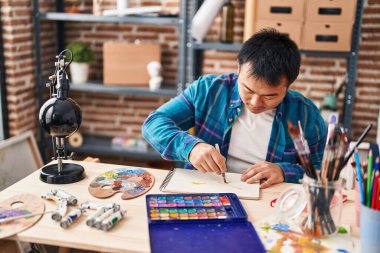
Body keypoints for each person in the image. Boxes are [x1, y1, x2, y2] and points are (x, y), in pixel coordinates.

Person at [142, 29, 327, 189]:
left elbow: (320, 171)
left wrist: (284, 171)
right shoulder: (208, 91)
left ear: (288, 85)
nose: (255, 102)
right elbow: (154, 123)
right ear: (238, 67)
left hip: (269, 201)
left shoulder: (305, 115)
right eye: (247, 89)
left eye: (269, 96)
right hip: (205, 191)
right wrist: (191, 148)